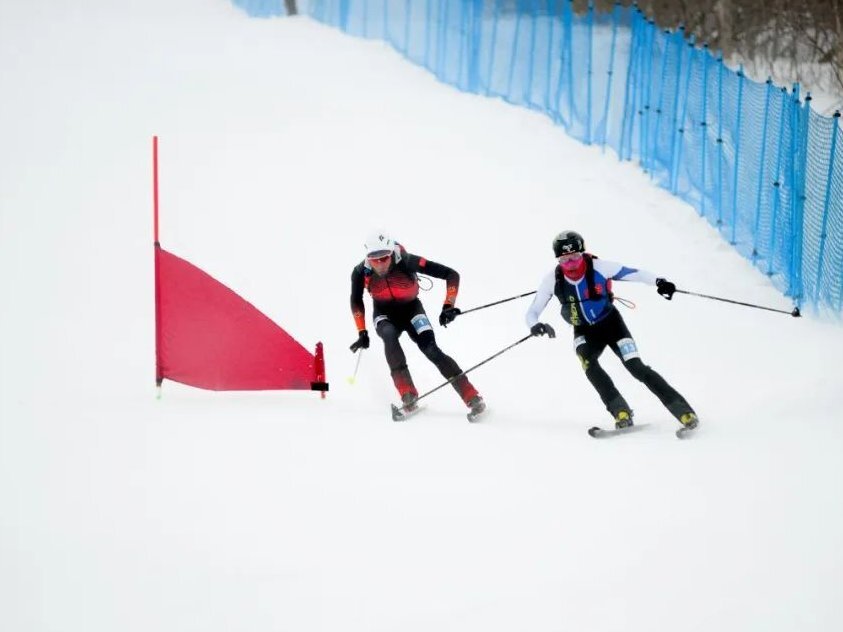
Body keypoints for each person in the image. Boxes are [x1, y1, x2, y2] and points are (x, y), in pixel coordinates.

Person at [525, 230, 698, 431]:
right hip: (584, 331)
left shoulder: (600, 267)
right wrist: (535, 325)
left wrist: (660, 282)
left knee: (636, 367)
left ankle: (684, 412)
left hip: (612, 325)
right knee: (589, 365)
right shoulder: (551, 280)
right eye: (565, 259)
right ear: (558, 259)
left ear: (582, 253)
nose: (571, 263)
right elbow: (532, 312)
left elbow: (635, 273)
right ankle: (620, 412)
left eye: (575, 256)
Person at [349, 231, 485, 418]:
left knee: (431, 349)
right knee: (388, 335)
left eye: (384, 258)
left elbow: (451, 274)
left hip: (412, 310)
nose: (380, 264)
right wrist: (362, 331)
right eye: (374, 260)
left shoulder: (407, 261)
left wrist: (448, 305)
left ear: (391, 253)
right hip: (384, 314)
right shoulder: (360, 272)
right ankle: (407, 394)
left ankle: (471, 396)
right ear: (367, 258)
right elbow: (356, 300)